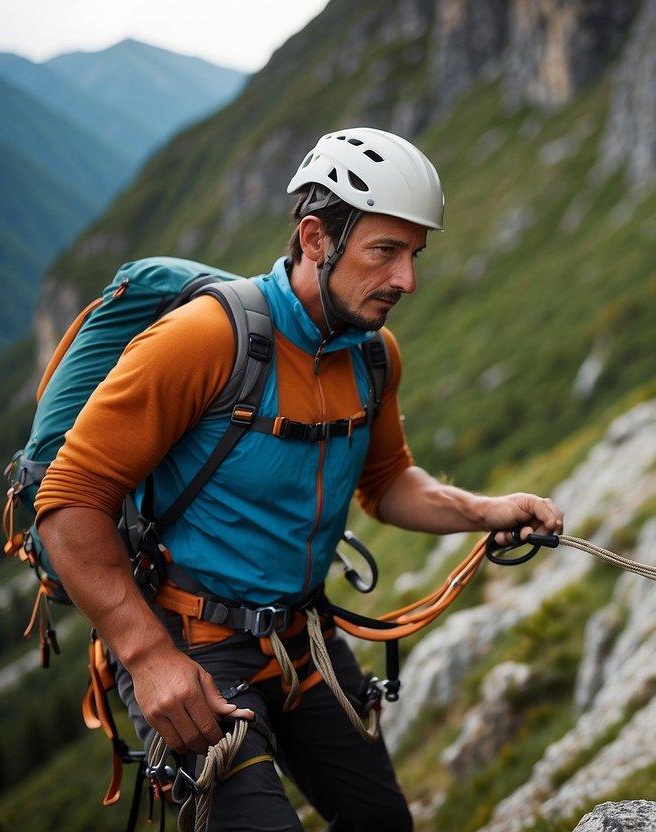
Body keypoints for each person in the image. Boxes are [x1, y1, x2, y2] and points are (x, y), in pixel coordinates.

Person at [35, 126, 564, 831]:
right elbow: (68, 504)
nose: (406, 279)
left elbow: (387, 482)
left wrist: (485, 510)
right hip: (189, 646)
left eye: (414, 255)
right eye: (385, 252)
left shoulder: (373, 356)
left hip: (302, 640)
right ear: (316, 239)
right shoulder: (205, 340)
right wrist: (148, 656)